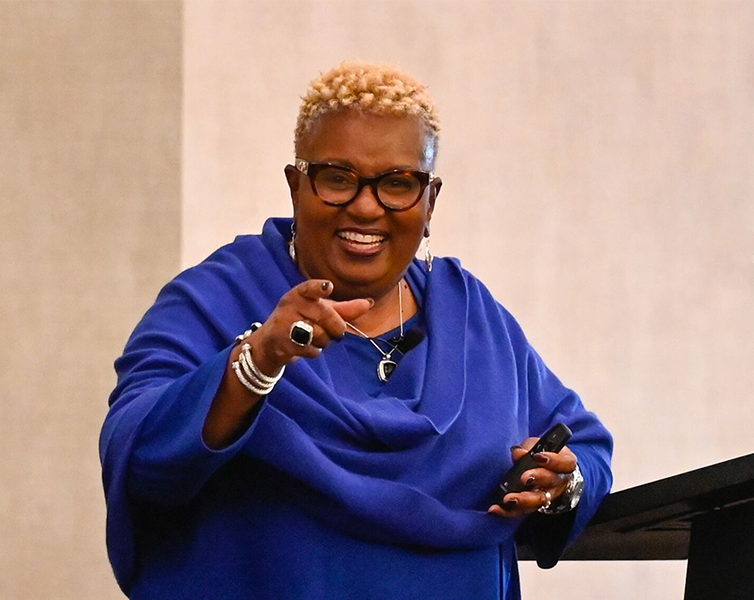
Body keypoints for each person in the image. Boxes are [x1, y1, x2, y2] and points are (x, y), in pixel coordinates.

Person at [99, 61, 613, 600]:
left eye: (398, 184)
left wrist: (561, 483)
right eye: (338, 178)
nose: (366, 207)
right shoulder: (215, 299)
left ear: (430, 200)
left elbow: (586, 445)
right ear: (297, 185)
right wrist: (258, 360)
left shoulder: (474, 319)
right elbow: (138, 455)